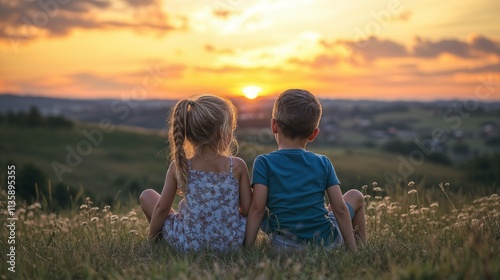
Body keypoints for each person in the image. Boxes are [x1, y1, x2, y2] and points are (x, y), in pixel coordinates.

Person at [245, 89, 367, 252]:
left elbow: (257, 208)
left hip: (283, 246)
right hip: (326, 244)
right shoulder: (323, 162)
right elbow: (340, 209)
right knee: (355, 195)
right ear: (314, 134)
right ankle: (361, 247)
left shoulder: (263, 163)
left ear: (274, 125)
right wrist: (353, 251)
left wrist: (246, 248)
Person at [140, 94, 252, 252]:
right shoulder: (238, 166)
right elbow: (247, 210)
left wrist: (150, 243)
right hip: (231, 245)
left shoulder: (179, 165)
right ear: (222, 132)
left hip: (189, 245)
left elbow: (161, 209)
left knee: (147, 195)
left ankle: (159, 244)